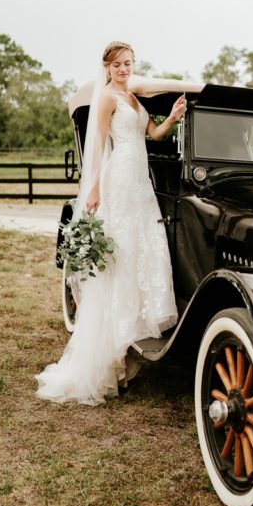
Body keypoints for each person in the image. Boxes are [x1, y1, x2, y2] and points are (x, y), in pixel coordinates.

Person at [36, 41, 185, 406]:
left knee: (141, 248)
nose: (124, 69)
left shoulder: (135, 98)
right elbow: (100, 145)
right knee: (120, 254)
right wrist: (96, 188)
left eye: (129, 63)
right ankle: (111, 353)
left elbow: (153, 135)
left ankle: (135, 331)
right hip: (118, 178)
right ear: (107, 67)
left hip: (140, 182)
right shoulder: (107, 98)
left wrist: (174, 116)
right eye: (118, 64)